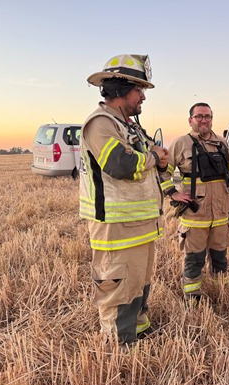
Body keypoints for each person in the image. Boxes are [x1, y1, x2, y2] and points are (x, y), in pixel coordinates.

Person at [79, 54, 168, 350]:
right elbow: (120, 164)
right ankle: (119, 348)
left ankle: (138, 333)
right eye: (138, 90)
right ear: (119, 90)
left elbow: (147, 159)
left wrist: (154, 157)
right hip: (116, 228)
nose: (143, 96)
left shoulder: (128, 125)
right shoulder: (100, 124)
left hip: (139, 225)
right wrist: (153, 157)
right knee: (118, 289)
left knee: (138, 285)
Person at [160, 102, 229, 304]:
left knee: (220, 258)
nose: (204, 120)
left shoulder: (222, 143)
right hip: (195, 217)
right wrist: (173, 193)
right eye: (199, 116)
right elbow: (163, 173)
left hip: (220, 215)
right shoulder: (180, 143)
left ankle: (219, 293)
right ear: (190, 120)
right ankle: (192, 299)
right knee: (194, 259)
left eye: (207, 116)